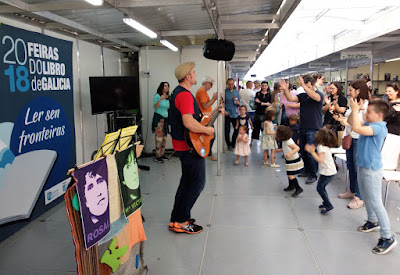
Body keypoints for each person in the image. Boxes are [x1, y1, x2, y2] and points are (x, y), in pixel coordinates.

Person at [168, 62, 217, 235]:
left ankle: (176, 219)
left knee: (186, 182)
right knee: (197, 183)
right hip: (190, 147)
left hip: (182, 146)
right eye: (194, 72)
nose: (196, 75)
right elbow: (188, 123)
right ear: (188, 77)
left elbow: (192, 118)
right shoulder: (185, 96)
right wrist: (207, 130)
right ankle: (182, 221)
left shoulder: (178, 93)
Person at [346, 99, 396, 255]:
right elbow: (350, 122)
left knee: (375, 201)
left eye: (369, 112)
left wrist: (355, 110)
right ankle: (372, 221)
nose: (365, 114)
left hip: (372, 169)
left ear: (379, 115)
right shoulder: (369, 123)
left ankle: (387, 237)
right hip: (363, 165)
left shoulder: (380, 127)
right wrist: (356, 110)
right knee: (366, 197)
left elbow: (356, 128)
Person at [280, 76, 323, 185]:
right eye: (304, 87)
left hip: (313, 128)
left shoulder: (319, 95)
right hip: (303, 126)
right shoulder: (303, 96)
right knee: (303, 151)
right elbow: (290, 99)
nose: (305, 89)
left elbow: (316, 97)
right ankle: (307, 170)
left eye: (308, 87)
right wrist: (285, 89)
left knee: (310, 152)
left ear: (313, 85)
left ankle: (313, 175)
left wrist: (304, 85)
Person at [334, 80, 369, 209]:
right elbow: (349, 120)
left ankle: (359, 197)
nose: (348, 92)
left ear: (358, 91)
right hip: (349, 138)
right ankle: (352, 190)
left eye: (351, 90)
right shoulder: (353, 103)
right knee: (351, 166)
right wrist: (353, 111)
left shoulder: (367, 105)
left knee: (358, 168)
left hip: (360, 139)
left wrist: (356, 117)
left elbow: (368, 123)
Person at [305, 128, 337, 214]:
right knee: (321, 187)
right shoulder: (323, 146)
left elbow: (319, 159)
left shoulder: (321, 148)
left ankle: (328, 204)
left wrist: (312, 152)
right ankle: (325, 202)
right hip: (328, 171)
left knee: (320, 188)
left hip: (328, 172)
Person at [195, 76, 219, 161]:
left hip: (207, 117)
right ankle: (208, 153)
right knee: (211, 136)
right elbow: (205, 105)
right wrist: (214, 99)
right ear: (207, 83)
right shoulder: (201, 91)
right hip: (204, 118)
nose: (211, 86)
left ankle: (207, 153)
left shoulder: (203, 91)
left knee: (210, 136)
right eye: (211, 84)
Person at [276, 125, 304, 197]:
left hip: (293, 159)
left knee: (290, 174)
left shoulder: (289, 141)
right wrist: (281, 150)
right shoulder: (285, 140)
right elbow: (287, 148)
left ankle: (298, 188)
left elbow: (297, 148)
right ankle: (291, 186)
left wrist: (290, 153)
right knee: (289, 173)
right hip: (289, 159)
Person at [152, 82, 170, 163]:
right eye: (165, 86)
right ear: (161, 87)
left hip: (165, 119)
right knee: (159, 138)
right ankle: (157, 156)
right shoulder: (157, 96)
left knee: (164, 138)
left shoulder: (168, 98)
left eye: (167, 86)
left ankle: (162, 154)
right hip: (159, 119)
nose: (166, 88)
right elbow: (155, 107)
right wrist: (160, 99)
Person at [251, 81, 272, 146]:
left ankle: (265, 143)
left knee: (265, 129)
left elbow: (269, 104)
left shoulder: (269, 95)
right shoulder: (258, 94)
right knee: (256, 128)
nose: (264, 87)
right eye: (263, 85)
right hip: (258, 113)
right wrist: (265, 103)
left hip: (266, 114)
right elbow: (257, 103)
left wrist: (261, 102)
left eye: (265, 85)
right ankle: (251, 142)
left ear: (267, 86)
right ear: (261, 86)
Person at [225, 78, 240, 150]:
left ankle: (233, 143)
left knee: (236, 129)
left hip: (235, 113)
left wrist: (238, 103)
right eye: (229, 84)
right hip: (227, 113)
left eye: (232, 84)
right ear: (227, 84)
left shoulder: (236, 92)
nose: (231, 86)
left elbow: (239, 102)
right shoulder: (225, 92)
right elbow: (222, 102)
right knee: (227, 130)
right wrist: (224, 111)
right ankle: (228, 144)